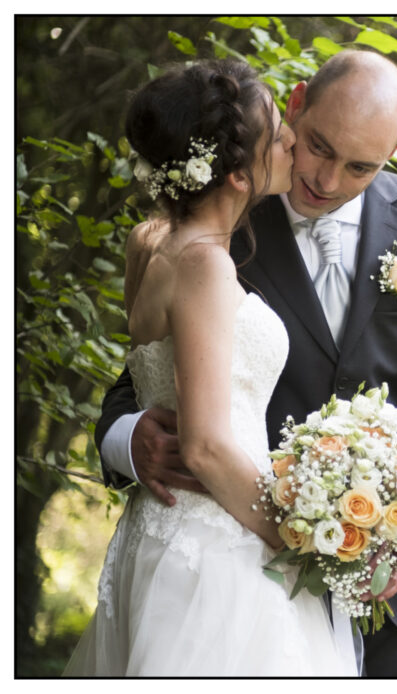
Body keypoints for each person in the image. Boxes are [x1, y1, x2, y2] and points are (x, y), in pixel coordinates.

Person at [96, 50, 397, 677]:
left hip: (381, 575)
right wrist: (126, 440)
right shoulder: (217, 215)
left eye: (360, 166)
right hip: (236, 561)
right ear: (296, 103)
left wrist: (393, 533)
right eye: (319, 147)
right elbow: (144, 371)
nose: (328, 180)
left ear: (395, 149)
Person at [65, 59, 359, 676]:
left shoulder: (148, 241)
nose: (292, 144)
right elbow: (202, 445)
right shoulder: (205, 264)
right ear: (234, 174)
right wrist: (297, 539)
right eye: (277, 135)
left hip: (167, 528)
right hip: (221, 547)